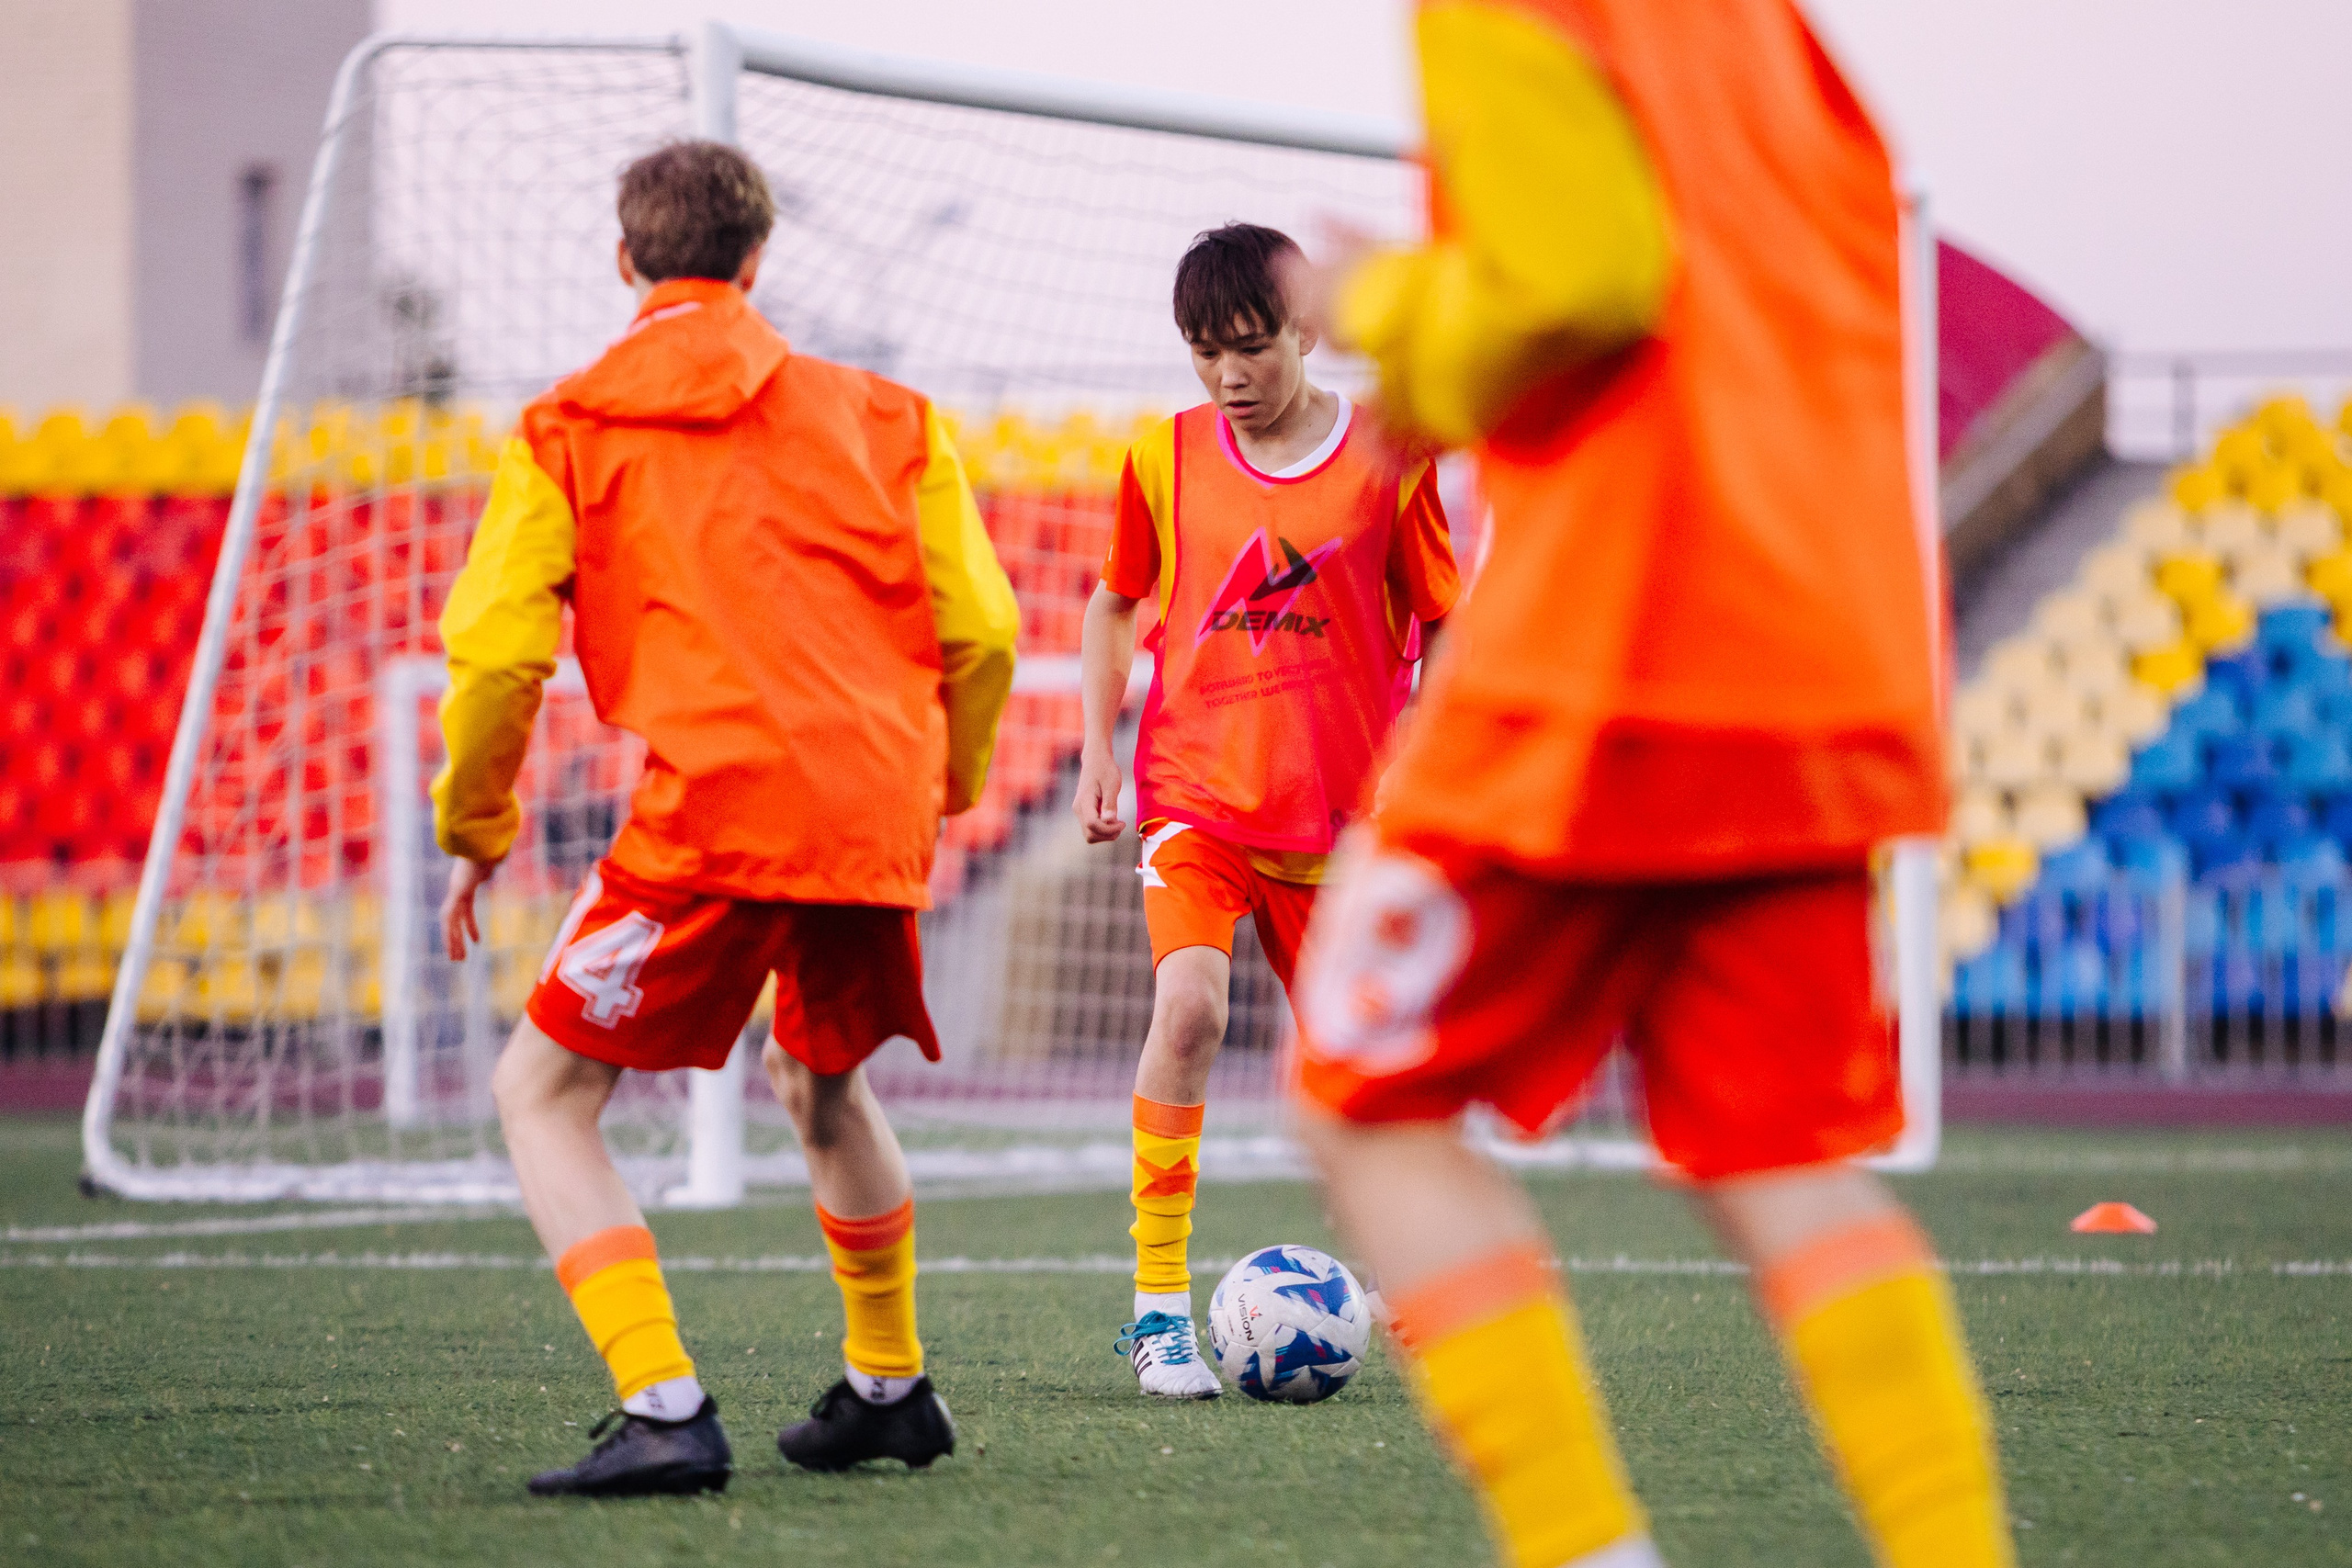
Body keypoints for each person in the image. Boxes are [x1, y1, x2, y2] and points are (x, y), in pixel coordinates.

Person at [1284, 3, 2016, 1565]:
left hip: (1615, 651)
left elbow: (1583, 278)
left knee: (1362, 1097)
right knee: (1780, 1155)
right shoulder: (1770, 34)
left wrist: (1398, 310)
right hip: (1818, 656)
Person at [435, 140, 1019, 1497]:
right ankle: (889, 1387)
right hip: (870, 796)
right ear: (759, 260)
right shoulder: (890, 413)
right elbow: (981, 626)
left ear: (625, 261)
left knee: (543, 1090)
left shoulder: (567, 426)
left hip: (722, 803)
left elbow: (495, 655)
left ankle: (663, 1406)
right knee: (821, 1078)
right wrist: (945, 785)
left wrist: (477, 825)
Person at [1071, 222, 1459, 1399]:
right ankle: (1156, 1314)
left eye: (1249, 346)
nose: (1228, 376)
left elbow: (1445, 624)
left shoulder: (1393, 455)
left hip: (1341, 828)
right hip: (1195, 800)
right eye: (1203, 351)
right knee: (1187, 1014)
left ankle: (1416, 1279)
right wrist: (1097, 743)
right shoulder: (1161, 461)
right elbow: (1112, 603)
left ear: (1302, 329)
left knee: (1358, 1086)